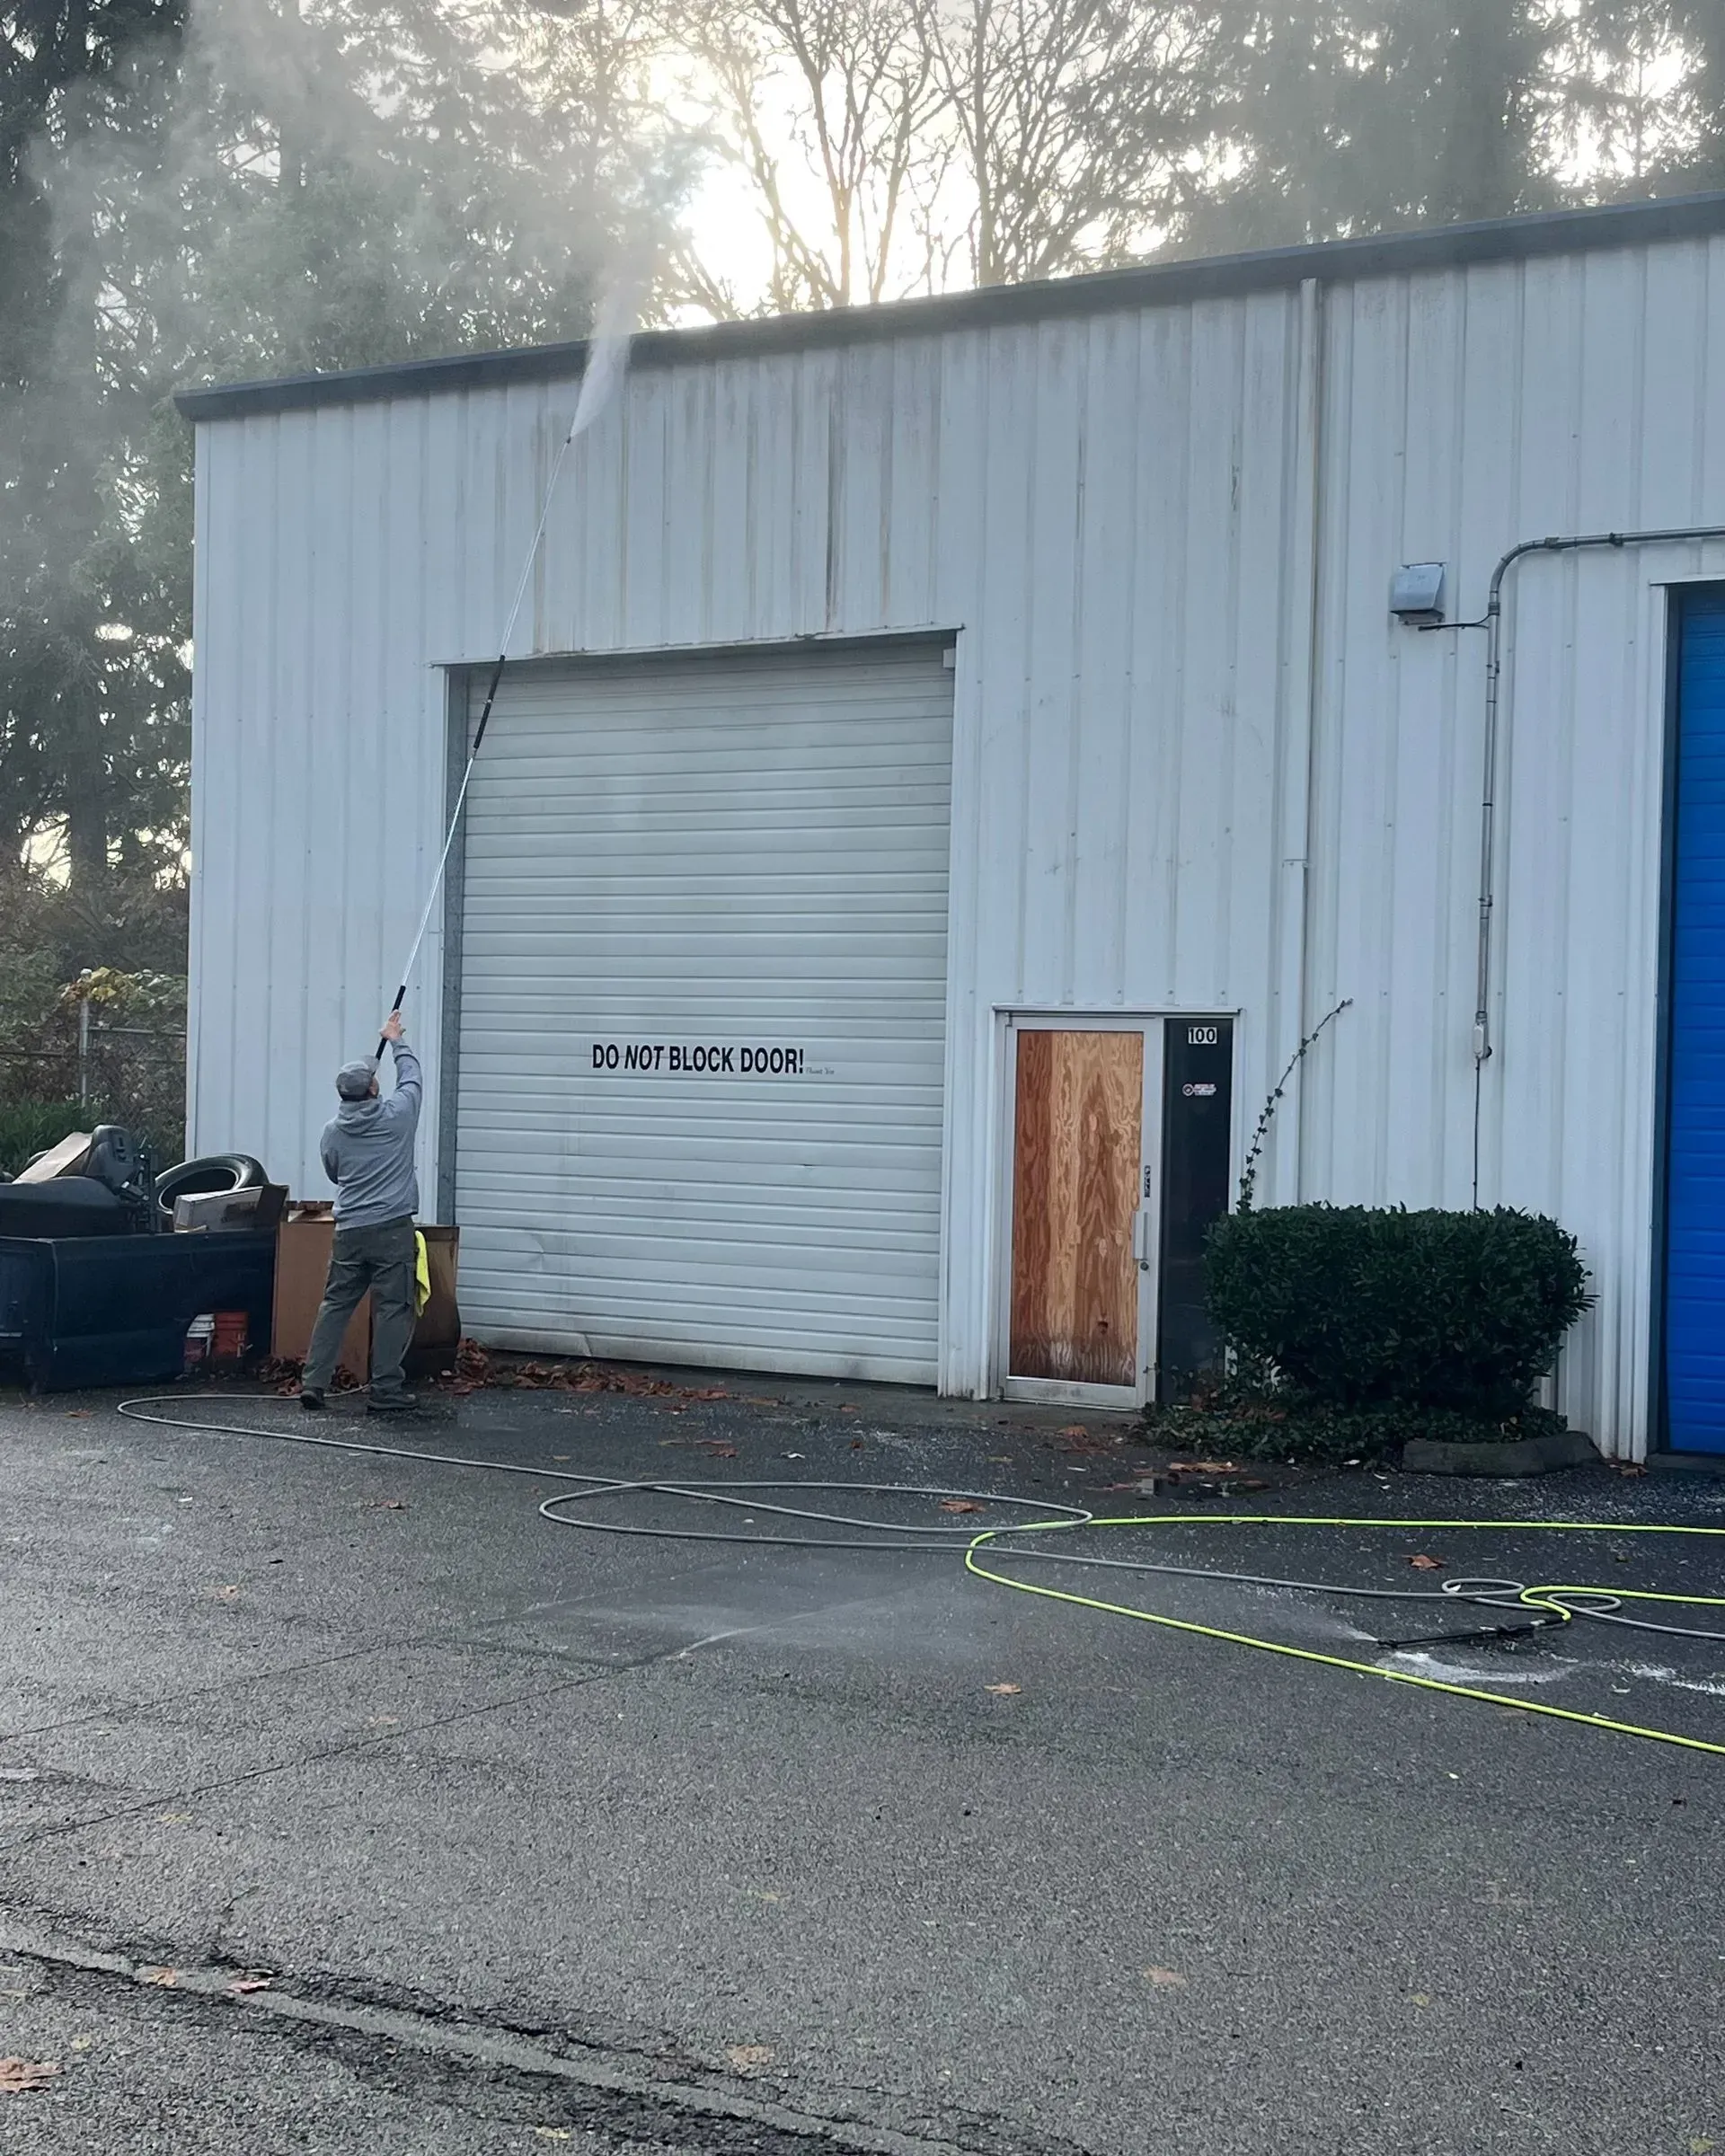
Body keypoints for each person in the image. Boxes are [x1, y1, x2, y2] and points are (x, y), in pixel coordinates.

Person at [300, 1010, 422, 1414]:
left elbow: (334, 1174)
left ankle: (314, 1383)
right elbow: (412, 1077)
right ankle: (386, 1390)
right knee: (393, 1308)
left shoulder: (332, 1132)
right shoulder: (398, 1116)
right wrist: (396, 1038)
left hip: (350, 1229)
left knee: (335, 1305)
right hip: (391, 1229)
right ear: (372, 1088)